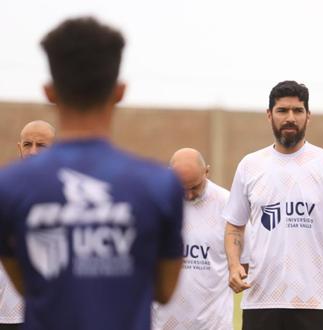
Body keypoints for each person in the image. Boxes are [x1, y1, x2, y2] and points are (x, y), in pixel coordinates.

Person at [0, 17, 183, 330]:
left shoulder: (9, 185)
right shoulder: (160, 184)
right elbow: (164, 291)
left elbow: (27, 285)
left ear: (49, 92)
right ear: (120, 91)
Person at [223, 80, 323, 330]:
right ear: (269, 115)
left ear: (308, 116)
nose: (290, 117)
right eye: (282, 111)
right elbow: (234, 226)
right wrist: (235, 266)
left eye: (297, 111)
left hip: (315, 303)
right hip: (260, 301)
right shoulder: (250, 165)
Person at [153, 148, 235, 330]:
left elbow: (244, 260)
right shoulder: (157, 202)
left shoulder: (228, 204)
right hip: (163, 324)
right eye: (183, 188)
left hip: (214, 324)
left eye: (195, 187)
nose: (189, 195)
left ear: (207, 171)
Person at [0, 121, 55, 329]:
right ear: (19, 148)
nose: (33, 152)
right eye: (27, 144)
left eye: (41, 146)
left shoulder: (68, 196)